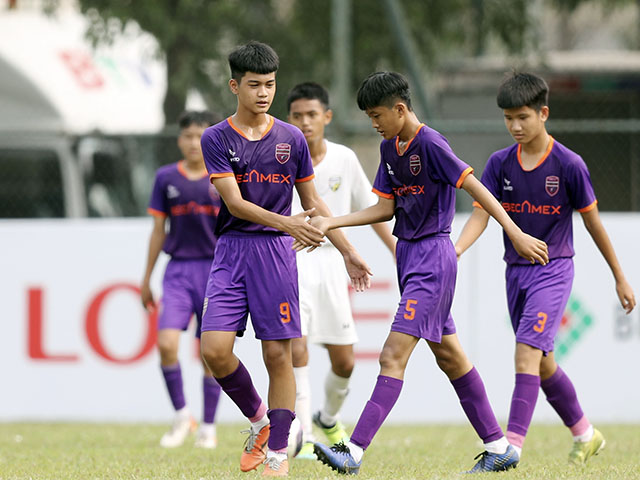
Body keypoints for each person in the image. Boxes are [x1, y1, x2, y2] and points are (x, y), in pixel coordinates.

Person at [307, 71, 549, 475]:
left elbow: (476, 188)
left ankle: (354, 451)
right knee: (450, 357)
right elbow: (385, 208)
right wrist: (333, 222)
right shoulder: (390, 147)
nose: (374, 123)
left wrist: (515, 231)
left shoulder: (431, 143)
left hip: (433, 259)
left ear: (400, 109)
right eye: (369, 117)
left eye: (377, 115)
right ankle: (499, 446)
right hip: (408, 257)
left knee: (391, 356)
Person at [198, 41, 372, 477]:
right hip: (234, 250)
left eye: (270, 84)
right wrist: (288, 224)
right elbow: (235, 204)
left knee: (279, 355)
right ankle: (260, 421)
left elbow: (313, 203)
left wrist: (348, 251)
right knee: (214, 351)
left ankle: (278, 454)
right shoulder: (216, 137)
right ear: (235, 86)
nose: (263, 93)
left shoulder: (291, 138)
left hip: (275, 255)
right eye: (254, 85)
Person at [454, 71, 636, 465]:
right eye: (508, 118)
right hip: (515, 272)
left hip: (553, 272)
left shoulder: (569, 164)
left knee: (525, 355)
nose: (515, 126)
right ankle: (585, 434)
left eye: (523, 117)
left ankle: (511, 448)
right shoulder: (499, 164)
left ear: (543, 113)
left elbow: (594, 224)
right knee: (543, 362)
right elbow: (481, 215)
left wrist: (620, 277)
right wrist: (457, 251)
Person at [286, 82, 396, 459]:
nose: (304, 122)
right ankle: (302, 437)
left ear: (327, 117)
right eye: (297, 116)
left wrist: (396, 251)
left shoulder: (344, 159)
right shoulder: (280, 158)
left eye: (311, 114)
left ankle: (328, 418)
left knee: (345, 362)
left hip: (333, 263)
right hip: (292, 261)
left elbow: (373, 209)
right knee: (296, 348)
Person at [141, 110, 223, 449]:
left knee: (211, 353)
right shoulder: (166, 178)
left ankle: (208, 427)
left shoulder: (223, 177)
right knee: (166, 344)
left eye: (200, 136)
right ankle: (181, 416)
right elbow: (158, 230)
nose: (194, 142)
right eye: (188, 135)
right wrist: (146, 278)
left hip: (217, 271)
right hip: (178, 271)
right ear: (179, 139)